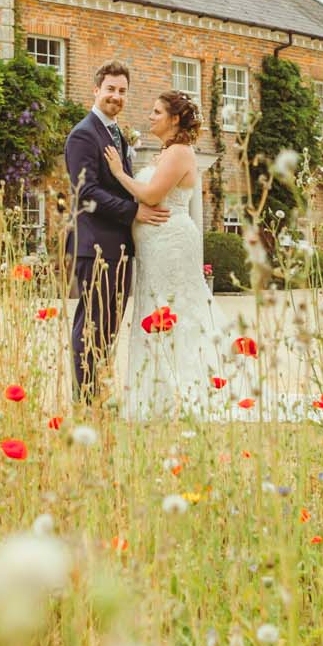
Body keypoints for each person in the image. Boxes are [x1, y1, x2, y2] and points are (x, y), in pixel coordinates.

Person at [102, 90, 225, 420]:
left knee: (175, 312)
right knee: (155, 309)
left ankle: (189, 392)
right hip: (154, 247)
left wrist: (118, 174)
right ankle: (157, 397)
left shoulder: (179, 152)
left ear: (174, 119)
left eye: (157, 112)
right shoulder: (167, 153)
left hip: (170, 244)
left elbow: (153, 194)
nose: (151, 115)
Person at [63, 61, 169, 404]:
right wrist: (134, 211)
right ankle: (84, 398)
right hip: (95, 245)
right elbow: (87, 191)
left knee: (108, 325)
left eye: (122, 91)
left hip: (118, 247)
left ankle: (98, 390)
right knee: (91, 323)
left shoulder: (115, 132)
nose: (116, 96)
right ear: (96, 90)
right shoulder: (83, 133)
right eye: (110, 89)